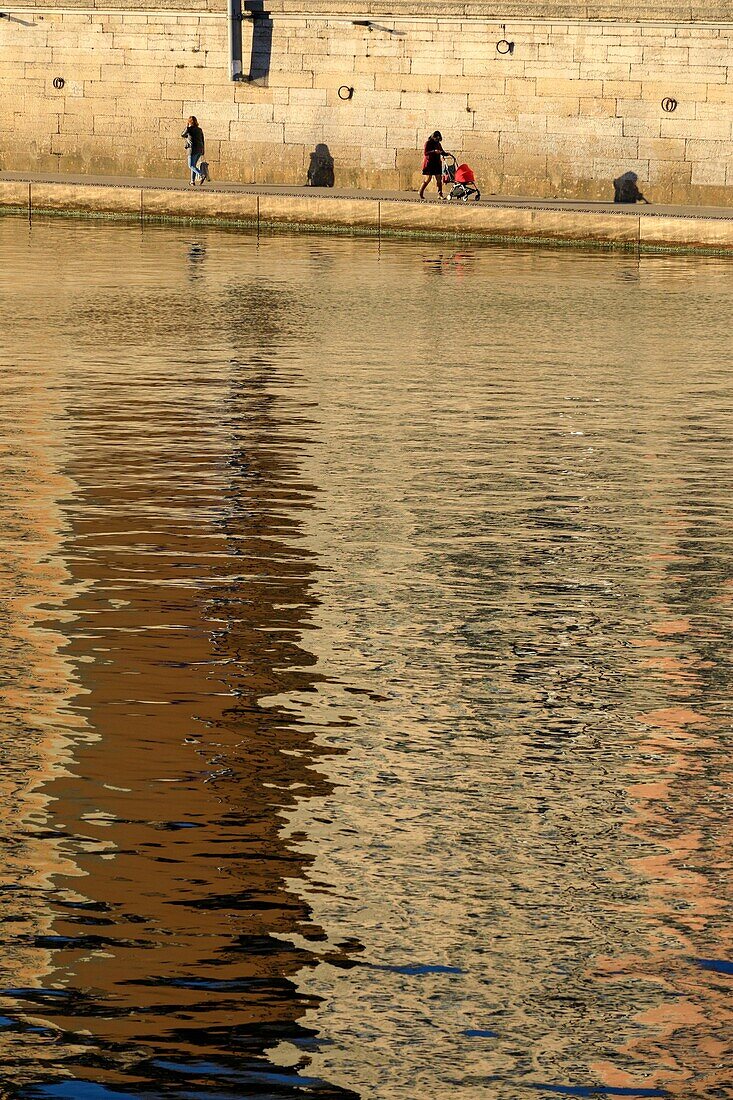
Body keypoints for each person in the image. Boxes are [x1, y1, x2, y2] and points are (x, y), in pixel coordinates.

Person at [419, 131, 447, 200]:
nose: (437, 139)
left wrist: (446, 154)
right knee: (428, 179)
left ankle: (440, 194)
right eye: (436, 138)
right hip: (429, 163)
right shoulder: (428, 143)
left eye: (438, 138)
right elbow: (425, 153)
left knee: (439, 179)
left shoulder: (438, 144)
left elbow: (442, 151)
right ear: (433, 137)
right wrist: (434, 151)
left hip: (437, 163)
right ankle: (420, 192)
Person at [182, 116, 206, 186]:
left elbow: (182, 134)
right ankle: (192, 181)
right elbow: (202, 139)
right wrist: (203, 149)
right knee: (194, 166)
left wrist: (186, 127)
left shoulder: (189, 129)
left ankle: (201, 174)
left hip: (192, 149)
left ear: (189, 122)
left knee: (191, 165)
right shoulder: (199, 130)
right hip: (199, 149)